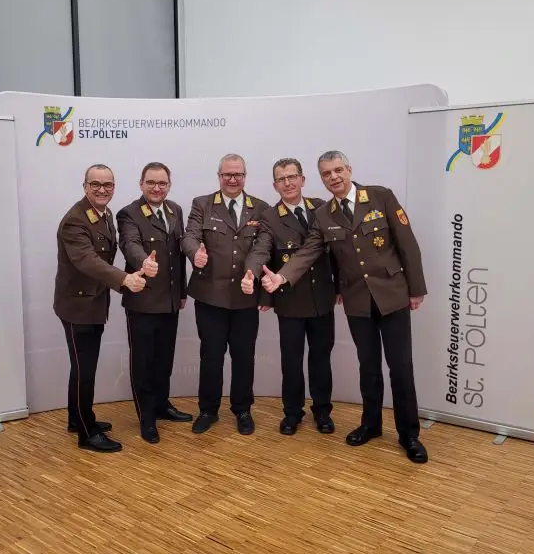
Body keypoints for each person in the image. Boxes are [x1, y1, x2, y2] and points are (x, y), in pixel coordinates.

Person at [261, 150, 429, 463]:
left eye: (338, 170)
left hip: (392, 296)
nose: (334, 177)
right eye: (327, 173)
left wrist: (416, 289)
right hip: (357, 301)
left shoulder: (380, 196)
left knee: (401, 367)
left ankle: (409, 434)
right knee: (368, 366)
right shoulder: (324, 214)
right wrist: (281, 278)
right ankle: (371, 425)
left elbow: (407, 243)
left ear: (349, 170)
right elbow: (308, 252)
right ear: (321, 179)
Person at [53, 164, 147, 453]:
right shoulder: (75, 221)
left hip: (92, 302)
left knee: (82, 368)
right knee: (85, 371)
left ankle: (77, 419)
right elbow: (87, 260)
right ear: (85, 187)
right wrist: (124, 279)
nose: (102, 189)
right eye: (95, 184)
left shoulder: (103, 215)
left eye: (107, 184)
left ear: (114, 188)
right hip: (77, 307)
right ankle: (86, 433)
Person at [242, 158, 338, 436]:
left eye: (292, 177)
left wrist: (341, 287)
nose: (288, 183)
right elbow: (261, 250)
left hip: (322, 298)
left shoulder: (322, 208)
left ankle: (322, 411)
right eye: (281, 179)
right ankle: (292, 413)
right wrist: (251, 273)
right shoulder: (270, 217)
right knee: (291, 362)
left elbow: (337, 251)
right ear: (275, 185)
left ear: (302, 179)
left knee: (321, 359)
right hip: (290, 300)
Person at [182, 153, 269, 435]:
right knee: (211, 356)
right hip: (210, 297)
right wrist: (195, 253)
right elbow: (190, 236)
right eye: (227, 174)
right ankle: (208, 410)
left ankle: (242, 409)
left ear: (245, 176)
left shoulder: (261, 208)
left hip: (245, 296)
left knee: (244, 357)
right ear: (219, 176)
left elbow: (262, 247)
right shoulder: (202, 204)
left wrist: (252, 272)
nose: (232, 179)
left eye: (238, 174)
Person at [116, 162, 193, 444]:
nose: (157, 188)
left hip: (170, 302)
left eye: (162, 183)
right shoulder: (129, 213)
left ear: (169, 185)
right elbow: (130, 244)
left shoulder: (175, 210)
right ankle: (146, 417)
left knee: (164, 360)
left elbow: (178, 256)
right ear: (141, 184)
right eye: (151, 182)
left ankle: (162, 405)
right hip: (143, 302)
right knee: (143, 363)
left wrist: (182, 292)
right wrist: (143, 262)